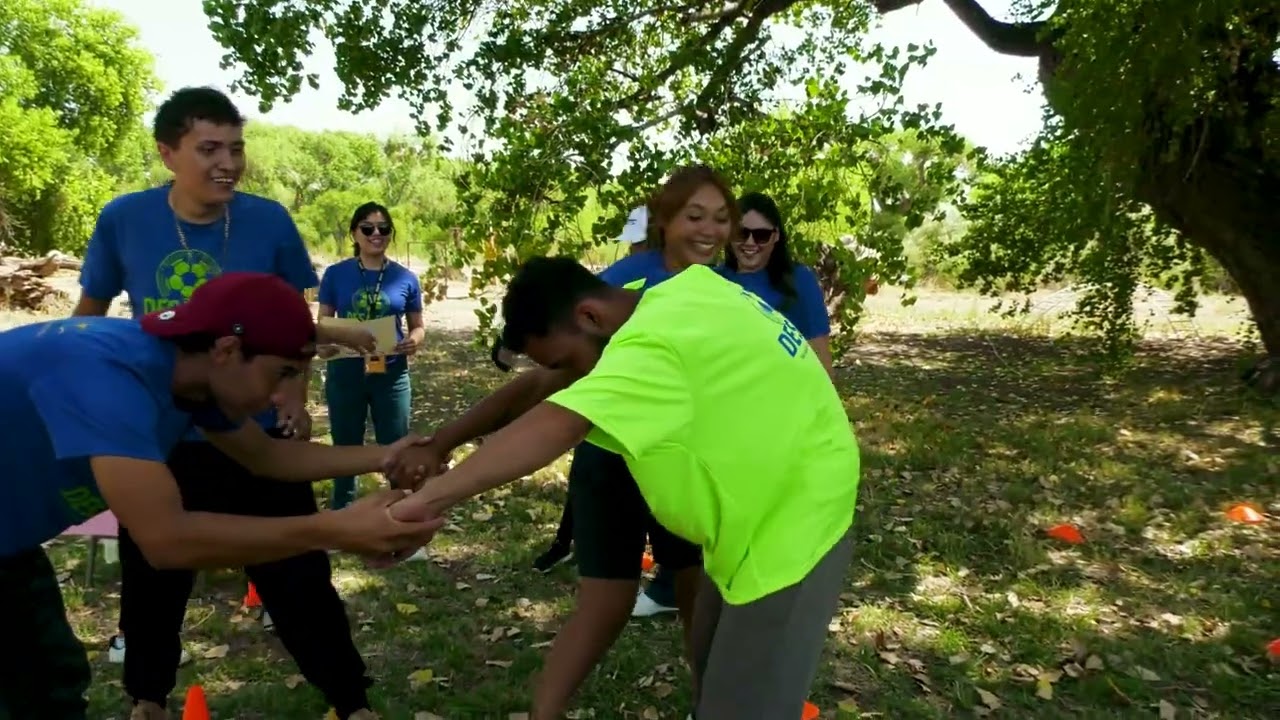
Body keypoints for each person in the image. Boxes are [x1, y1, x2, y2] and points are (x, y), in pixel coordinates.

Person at [391, 256, 860, 719]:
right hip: (766, 511)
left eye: (567, 362)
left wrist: (421, 504)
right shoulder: (681, 291)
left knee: (745, 704)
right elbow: (541, 387)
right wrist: (443, 443)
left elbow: (556, 424)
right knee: (715, 671)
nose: (572, 379)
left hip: (794, 531)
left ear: (589, 316)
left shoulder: (651, 346)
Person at [0, 272, 441, 720]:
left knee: (49, 683)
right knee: (34, 690)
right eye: (283, 373)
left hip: (11, 545)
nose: (281, 397)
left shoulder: (186, 373)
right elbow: (166, 540)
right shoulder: (110, 380)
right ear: (228, 351)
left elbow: (267, 457)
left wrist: (387, 455)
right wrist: (334, 529)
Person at [74, 87, 378, 720]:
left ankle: (352, 702)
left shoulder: (268, 221)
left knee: (297, 576)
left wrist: (292, 394)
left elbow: (289, 324)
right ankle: (148, 699)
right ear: (167, 153)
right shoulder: (124, 218)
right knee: (153, 577)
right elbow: (89, 319)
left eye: (236, 149)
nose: (228, 163)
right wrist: (88, 403)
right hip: (159, 434)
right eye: (209, 149)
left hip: (248, 426)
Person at [399, 167, 736, 718]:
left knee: (697, 596)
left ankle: (710, 705)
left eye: (721, 217)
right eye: (693, 215)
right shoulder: (621, 288)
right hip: (611, 462)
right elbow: (546, 392)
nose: (708, 229)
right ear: (663, 220)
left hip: (685, 470)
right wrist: (442, 444)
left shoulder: (727, 297)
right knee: (605, 602)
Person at [635, 191, 836, 615]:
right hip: (720, 413)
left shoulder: (797, 281)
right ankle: (676, 583)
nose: (750, 243)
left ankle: (757, 591)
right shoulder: (712, 280)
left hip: (778, 417)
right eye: (741, 233)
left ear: (776, 237)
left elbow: (820, 361)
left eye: (761, 235)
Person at [319, 203, 425, 511]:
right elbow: (323, 324)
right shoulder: (336, 274)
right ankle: (342, 513)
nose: (376, 234)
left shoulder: (405, 278)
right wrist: (324, 345)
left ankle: (403, 511)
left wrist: (413, 341)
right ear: (354, 233)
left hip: (391, 375)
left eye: (383, 228)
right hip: (345, 373)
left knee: (397, 446)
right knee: (345, 447)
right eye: (367, 228)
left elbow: (418, 327)